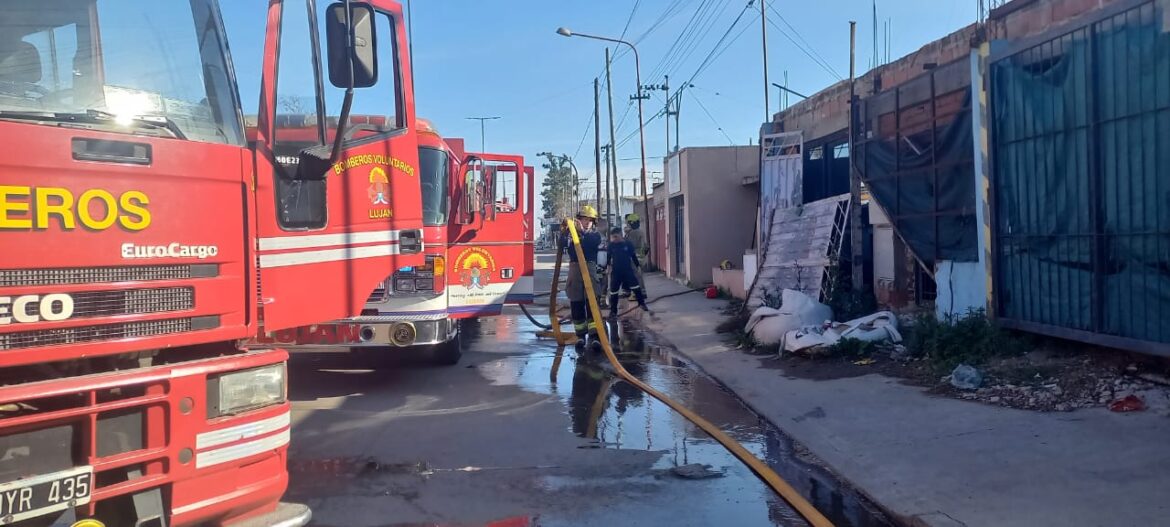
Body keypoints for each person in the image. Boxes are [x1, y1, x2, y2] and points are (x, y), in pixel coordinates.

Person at [560, 205, 604, 346]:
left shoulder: (595, 236)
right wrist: (565, 232)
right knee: (576, 304)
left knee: (592, 304)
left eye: (589, 220)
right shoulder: (571, 235)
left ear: (594, 222)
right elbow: (562, 245)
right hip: (575, 269)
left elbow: (589, 245)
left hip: (589, 268)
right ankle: (580, 336)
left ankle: (595, 336)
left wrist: (582, 233)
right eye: (583, 219)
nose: (586, 222)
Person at [601, 227, 650, 319]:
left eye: (616, 236)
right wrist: (608, 267)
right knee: (614, 292)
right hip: (616, 272)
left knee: (636, 287)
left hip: (627, 270)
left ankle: (642, 304)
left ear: (620, 235)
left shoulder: (628, 244)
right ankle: (613, 311)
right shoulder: (611, 246)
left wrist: (638, 266)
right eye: (613, 237)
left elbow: (633, 256)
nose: (614, 239)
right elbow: (608, 257)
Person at [623, 213, 647, 298]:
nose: (627, 225)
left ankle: (637, 293)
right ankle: (642, 292)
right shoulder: (640, 231)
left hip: (635, 257)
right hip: (641, 256)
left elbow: (629, 245)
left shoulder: (633, 232)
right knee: (639, 275)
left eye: (628, 223)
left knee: (635, 275)